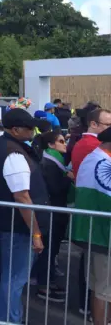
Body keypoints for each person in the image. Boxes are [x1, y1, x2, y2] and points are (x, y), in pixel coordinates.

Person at [0, 108, 49, 323]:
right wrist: (36, 233)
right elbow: (22, 197)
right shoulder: (13, 152)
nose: (33, 130)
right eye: (29, 127)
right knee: (15, 280)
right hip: (18, 228)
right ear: (16, 129)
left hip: (10, 225)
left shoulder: (1, 146)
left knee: (11, 278)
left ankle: (10, 319)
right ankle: (11, 320)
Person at [72, 126, 111, 325]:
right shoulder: (102, 163)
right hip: (102, 234)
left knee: (100, 287)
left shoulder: (95, 158)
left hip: (95, 231)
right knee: (104, 289)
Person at [31, 130, 73, 302]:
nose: (65, 144)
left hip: (56, 211)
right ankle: (44, 285)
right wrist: (68, 178)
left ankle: (47, 281)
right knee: (48, 249)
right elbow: (54, 188)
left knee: (52, 248)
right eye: (61, 141)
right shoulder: (49, 163)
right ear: (50, 144)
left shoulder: (55, 161)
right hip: (52, 212)